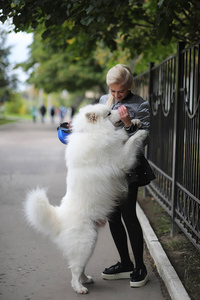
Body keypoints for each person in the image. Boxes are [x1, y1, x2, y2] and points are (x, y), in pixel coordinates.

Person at [99, 64, 155, 288]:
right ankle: (125, 263)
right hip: (108, 166)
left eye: (120, 91)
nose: (115, 95)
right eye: (112, 90)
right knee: (113, 216)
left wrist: (127, 124)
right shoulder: (105, 100)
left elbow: (144, 139)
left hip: (129, 166)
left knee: (129, 214)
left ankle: (140, 266)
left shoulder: (140, 104)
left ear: (129, 85)